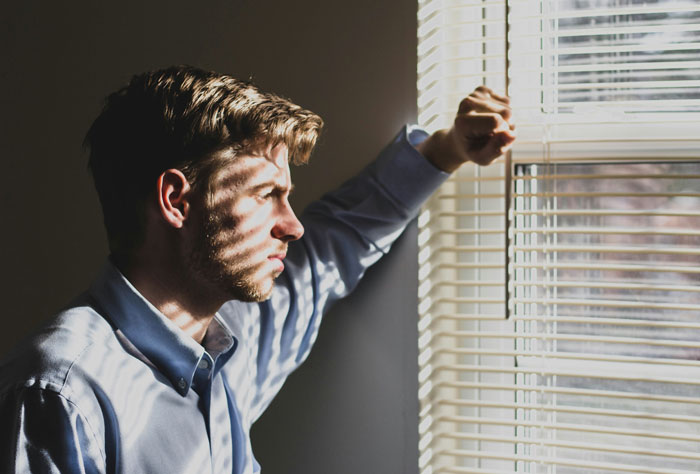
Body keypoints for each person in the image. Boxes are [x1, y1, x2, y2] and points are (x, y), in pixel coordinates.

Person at [0, 65, 515, 473]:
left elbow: (332, 247)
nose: (292, 226)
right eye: (268, 195)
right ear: (177, 200)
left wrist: (445, 149)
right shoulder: (60, 394)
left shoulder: (229, 347)